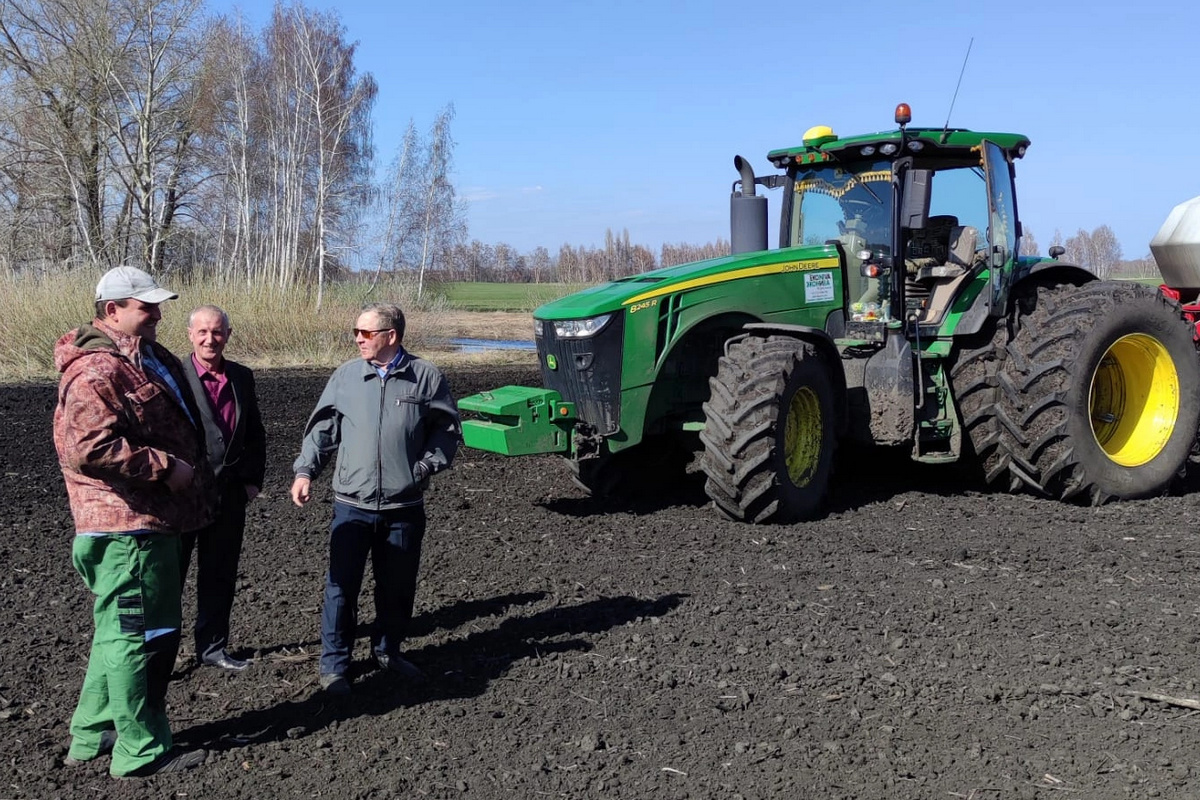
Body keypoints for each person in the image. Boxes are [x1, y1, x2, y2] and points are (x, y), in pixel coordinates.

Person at [53, 266, 212, 777]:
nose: (158, 314)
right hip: (127, 528)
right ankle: (140, 752)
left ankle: (91, 733)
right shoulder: (96, 371)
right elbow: (87, 447)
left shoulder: (141, 357)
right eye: (146, 307)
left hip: (148, 522)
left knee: (114, 635)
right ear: (111, 311)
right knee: (140, 637)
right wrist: (167, 468)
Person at [290, 302, 460, 696]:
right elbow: (323, 430)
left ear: (391, 336)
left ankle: (388, 652)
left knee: (397, 586)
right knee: (341, 588)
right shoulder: (346, 377)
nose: (358, 339)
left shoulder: (425, 377)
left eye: (365, 333)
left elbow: (447, 431)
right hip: (352, 504)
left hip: (404, 508)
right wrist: (304, 471)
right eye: (356, 332)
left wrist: (421, 469)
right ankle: (334, 666)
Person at [179, 305, 266, 672]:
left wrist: (250, 482)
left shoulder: (242, 377)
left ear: (228, 335)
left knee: (220, 574)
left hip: (229, 496)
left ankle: (213, 648)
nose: (209, 339)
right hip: (181, 496)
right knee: (170, 578)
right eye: (202, 332)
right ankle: (159, 657)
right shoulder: (174, 376)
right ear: (190, 335)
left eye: (217, 332)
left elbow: (255, 433)